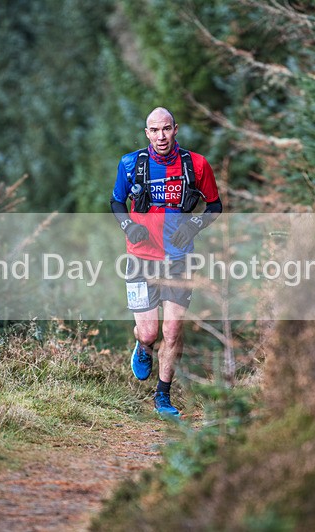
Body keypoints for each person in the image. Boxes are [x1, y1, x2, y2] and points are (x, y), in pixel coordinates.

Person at [110, 107, 222, 418]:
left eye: (166, 129)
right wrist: (128, 226)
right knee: (149, 333)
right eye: (155, 130)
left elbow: (215, 205)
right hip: (140, 258)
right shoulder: (130, 164)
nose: (161, 136)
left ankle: (163, 397)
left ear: (175, 129)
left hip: (179, 259)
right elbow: (116, 201)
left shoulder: (196, 165)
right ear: (147, 133)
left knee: (172, 330)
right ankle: (143, 346)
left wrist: (194, 225)